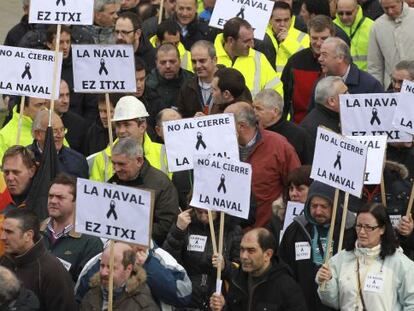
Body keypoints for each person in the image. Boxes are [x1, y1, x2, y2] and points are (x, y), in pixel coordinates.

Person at [316, 203, 414, 310]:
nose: (361, 232)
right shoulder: (340, 259)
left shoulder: (401, 264)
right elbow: (332, 301)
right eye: (359, 226)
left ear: (382, 229)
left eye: (368, 227)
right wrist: (326, 281)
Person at [279, 181, 356, 311]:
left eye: (324, 206)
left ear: (335, 205)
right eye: (314, 206)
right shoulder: (296, 230)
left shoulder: (350, 231)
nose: (318, 211)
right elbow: (283, 269)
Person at [224, 102, 300, 228]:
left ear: (241, 126)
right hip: (226, 234)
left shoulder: (279, 146)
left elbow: (297, 182)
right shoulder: (219, 148)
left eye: (224, 123)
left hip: (265, 233)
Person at [162, 206, 242, 309]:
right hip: (187, 299)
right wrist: (178, 231)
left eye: (208, 212)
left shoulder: (232, 230)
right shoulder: (186, 224)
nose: (204, 217)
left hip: (218, 301)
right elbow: (167, 262)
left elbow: (241, 274)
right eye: (199, 212)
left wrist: (225, 266)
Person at [209, 228, 308, 311]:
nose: (244, 256)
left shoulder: (286, 286)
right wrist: (223, 307)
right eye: (242, 249)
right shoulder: (237, 279)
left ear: (268, 254)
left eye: (251, 250)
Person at [75, 240, 192, 309]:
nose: (104, 270)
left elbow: (183, 295)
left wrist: (149, 264)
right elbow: (78, 300)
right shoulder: (100, 259)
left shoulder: (161, 258)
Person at [0, 209, 77, 311]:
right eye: (2, 230)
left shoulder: (53, 271)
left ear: (28, 235)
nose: (2, 237)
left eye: (9, 232)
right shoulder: (4, 260)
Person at [108, 138, 179, 246]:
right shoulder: (113, 182)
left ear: (139, 161)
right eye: (114, 163)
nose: (116, 169)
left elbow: (166, 225)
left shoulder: (161, 184)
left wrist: (130, 235)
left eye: (122, 164)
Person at [40, 174, 103, 282]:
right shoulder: (34, 232)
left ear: (76, 201)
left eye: (60, 197)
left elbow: (86, 287)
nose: (53, 201)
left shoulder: (90, 242)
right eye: (51, 196)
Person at [89, 96, 168, 182]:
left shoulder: (165, 154)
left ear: (142, 126)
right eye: (118, 125)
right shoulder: (101, 159)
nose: (121, 131)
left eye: (127, 125)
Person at [281, 15, 334, 123]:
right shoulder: (295, 62)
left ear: (332, 36)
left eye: (324, 38)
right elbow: (284, 99)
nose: (319, 43)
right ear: (308, 36)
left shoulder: (340, 61)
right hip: (301, 127)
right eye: (314, 38)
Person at [214, 17, 283, 97]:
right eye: (246, 41)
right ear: (231, 41)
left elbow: (276, 91)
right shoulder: (209, 57)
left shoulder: (259, 58)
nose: (252, 45)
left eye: (252, 39)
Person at [80, 242, 160, 310]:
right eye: (102, 266)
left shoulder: (142, 305)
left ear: (128, 269)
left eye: (111, 268)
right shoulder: (91, 294)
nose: (103, 272)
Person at [45, 26, 99, 126]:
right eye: (60, 42)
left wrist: (84, 127)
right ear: (49, 44)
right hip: (46, 124)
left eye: (68, 42)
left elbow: (91, 105)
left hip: (75, 126)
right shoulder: (42, 67)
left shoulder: (81, 68)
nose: (65, 47)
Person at [253, 89, 312, 165]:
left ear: (275, 111)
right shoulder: (251, 130)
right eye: (253, 107)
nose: (253, 112)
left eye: (258, 109)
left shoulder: (298, 136)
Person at [368, 0, 414, 88]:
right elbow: (375, 65)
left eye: (393, 7)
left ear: (401, 2)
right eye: (385, 8)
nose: (390, 11)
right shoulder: (377, 26)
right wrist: (377, 90)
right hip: (392, 86)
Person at [30, 110, 89, 179]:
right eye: (54, 131)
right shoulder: (25, 159)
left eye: (62, 130)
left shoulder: (78, 161)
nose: (60, 135)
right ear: (38, 134)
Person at [300, 76, 348, 151]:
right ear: (331, 101)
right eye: (345, 94)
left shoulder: (338, 116)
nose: (349, 96)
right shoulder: (312, 129)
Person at [263, 1, 310, 76]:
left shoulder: (305, 37)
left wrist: (287, 41)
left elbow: (307, 59)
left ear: (291, 19)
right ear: (270, 20)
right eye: (278, 20)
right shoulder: (262, 36)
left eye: (286, 20)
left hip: (291, 84)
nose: (282, 24)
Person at [146, 43, 194, 109]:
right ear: (156, 63)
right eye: (163, 62)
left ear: (179, 61)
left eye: (172, 62)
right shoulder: (148, 85)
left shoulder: (192, 81)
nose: (168, 66)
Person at [177, 40, 218, 117]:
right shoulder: (187, 88)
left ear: (214, 60)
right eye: (194, 62)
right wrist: (193, 121)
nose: (198, 66)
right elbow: (181, 118)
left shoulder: (230, 81)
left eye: (202, 61)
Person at [0, 97, 47, 161]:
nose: (44, 109)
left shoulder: (52, 127)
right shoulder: (4, 136)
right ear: (23, 107)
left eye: (45, 104)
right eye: (38, 105)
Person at [334, 0, 374, 70]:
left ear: (357, 10)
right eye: (340, 13)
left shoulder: (371, 27)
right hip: (338, 78)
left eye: (348, 13)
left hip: (366, 78)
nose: (344, 17)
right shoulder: (331, 27)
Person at [54, 80, 88, 153]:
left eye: (67, 95)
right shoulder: (39, 121)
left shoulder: (79, 124)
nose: (66, 100)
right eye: (60, 96)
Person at [1, 146, 36, 210]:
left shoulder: (46, 201)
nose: (10, 178)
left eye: (16, 172)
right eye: (6, 172)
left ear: (32, 171)